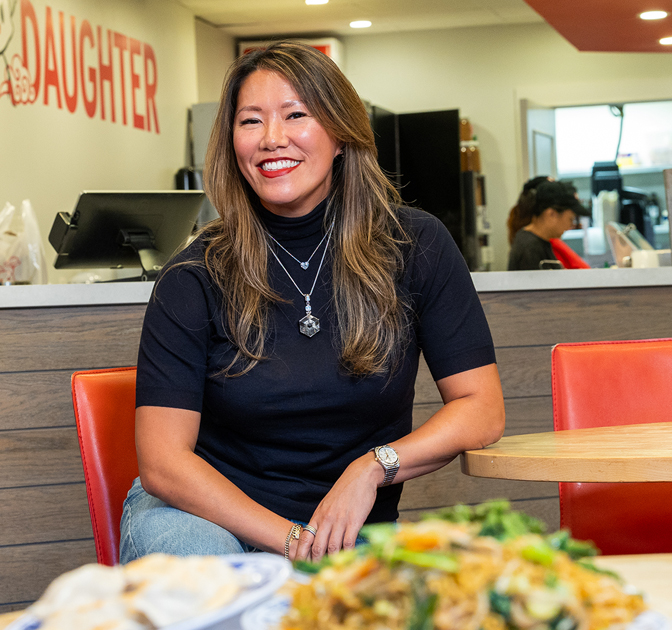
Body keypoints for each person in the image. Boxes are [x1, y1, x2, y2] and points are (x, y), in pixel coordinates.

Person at [121, 41, 505, 565]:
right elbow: (163, 465)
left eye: (296, 115)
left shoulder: (415, 245)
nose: (272, 139)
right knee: (226, 589)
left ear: (342, 133)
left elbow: (481, 409)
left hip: (349, 534)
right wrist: (292, 542)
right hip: (203, 521)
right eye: (251, 121)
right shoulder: (194, 274)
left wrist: (373, 466)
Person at [507, 180, 590, 271]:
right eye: (570, 219)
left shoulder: (540, 242)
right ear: (552, 214)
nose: (570, 225)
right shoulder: (530, 248)